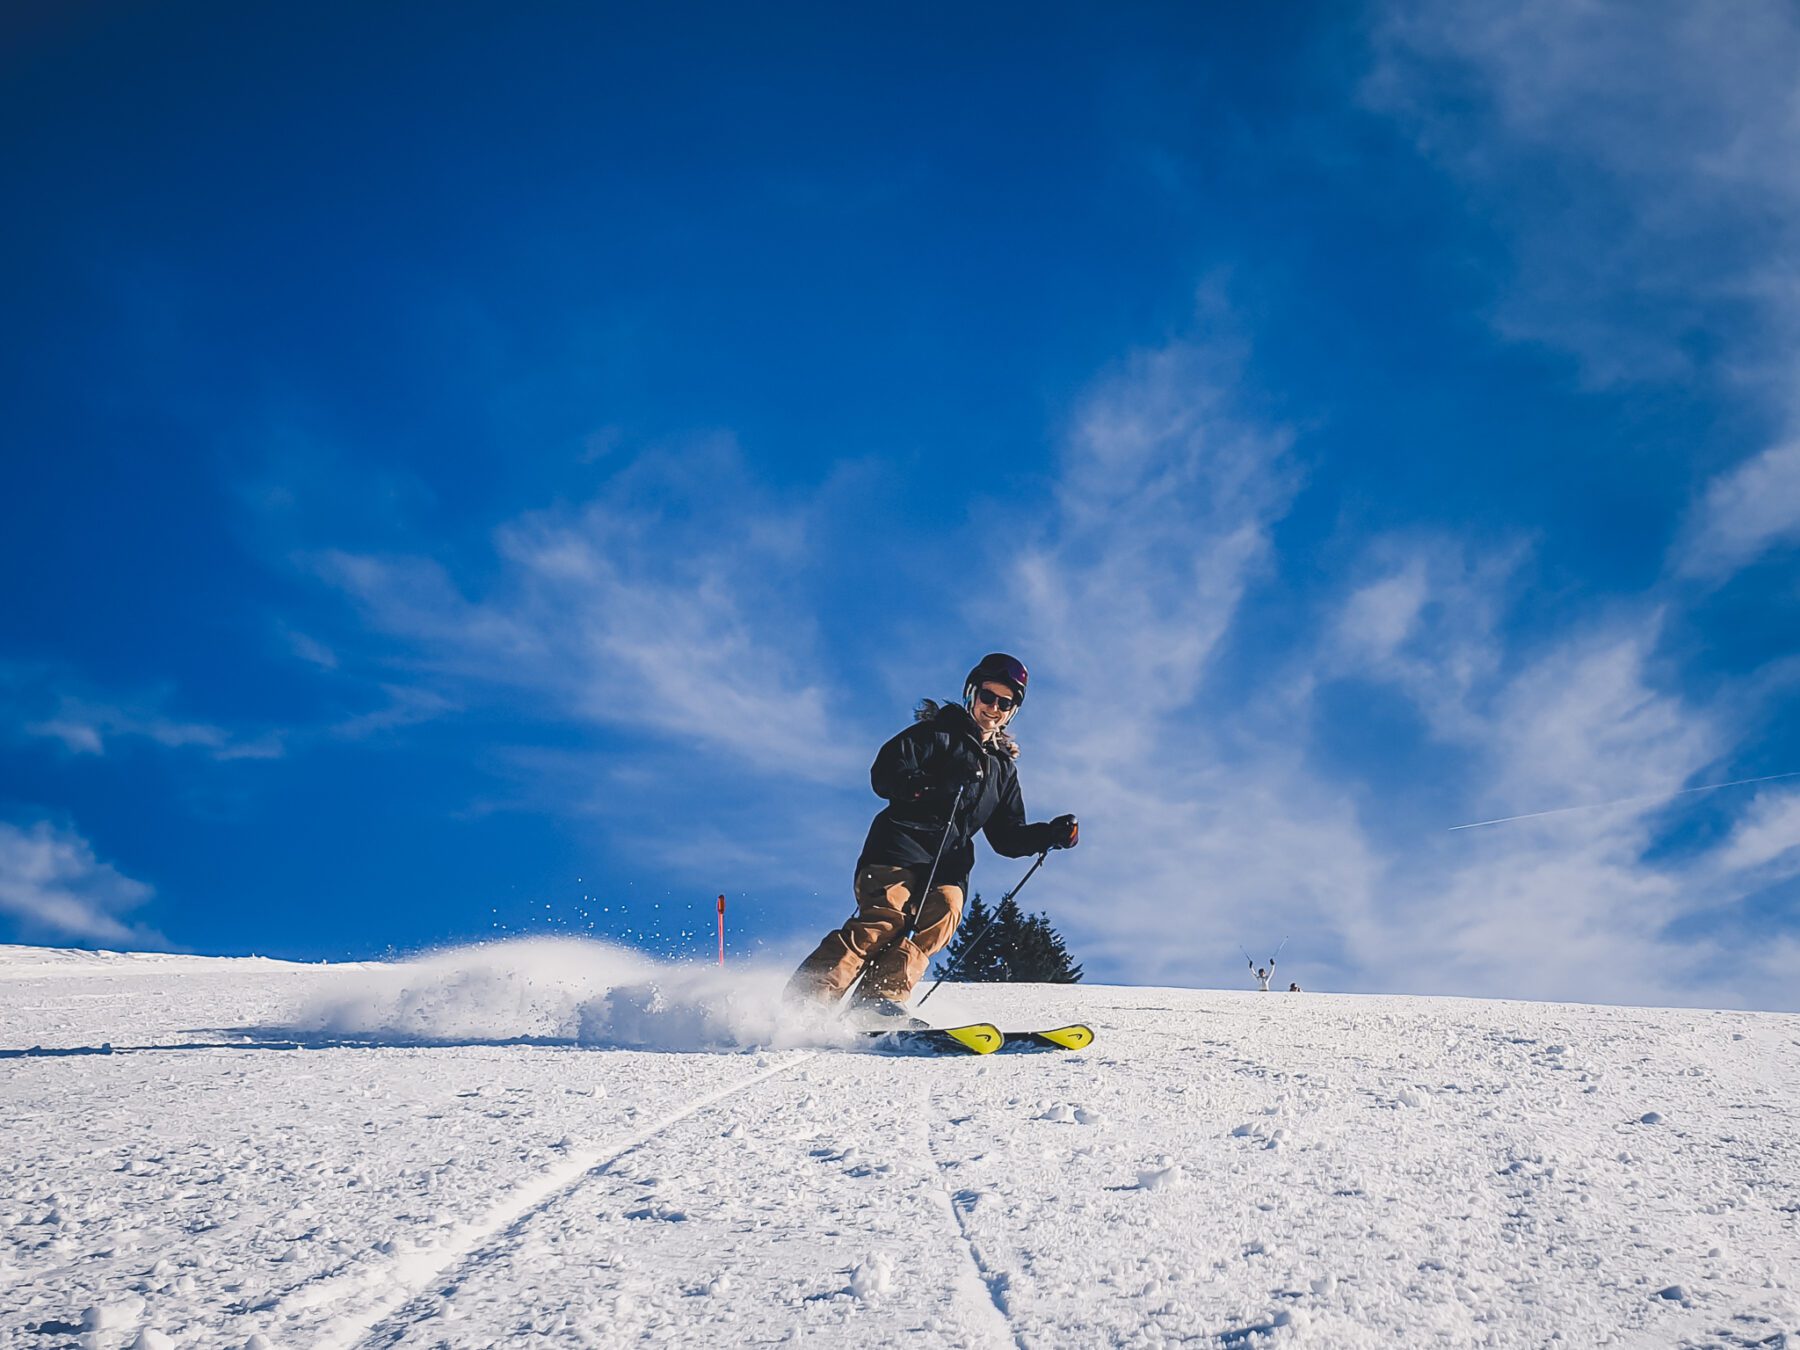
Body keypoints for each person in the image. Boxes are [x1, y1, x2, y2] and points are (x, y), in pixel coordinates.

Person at [785, 653, 1078, 1013]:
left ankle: (879, 1002)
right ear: (972, 693)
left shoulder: (1002, 771)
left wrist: (1050, 835)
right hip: (899, 847)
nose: (994, 708)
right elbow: (886, 774)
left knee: (944, 913)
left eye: (1005, 703)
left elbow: (1006, 837)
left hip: (949, 864)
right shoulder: (934, 735)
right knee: (885, 919)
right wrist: (935, 784)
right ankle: (807, 999)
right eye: (988, 697)